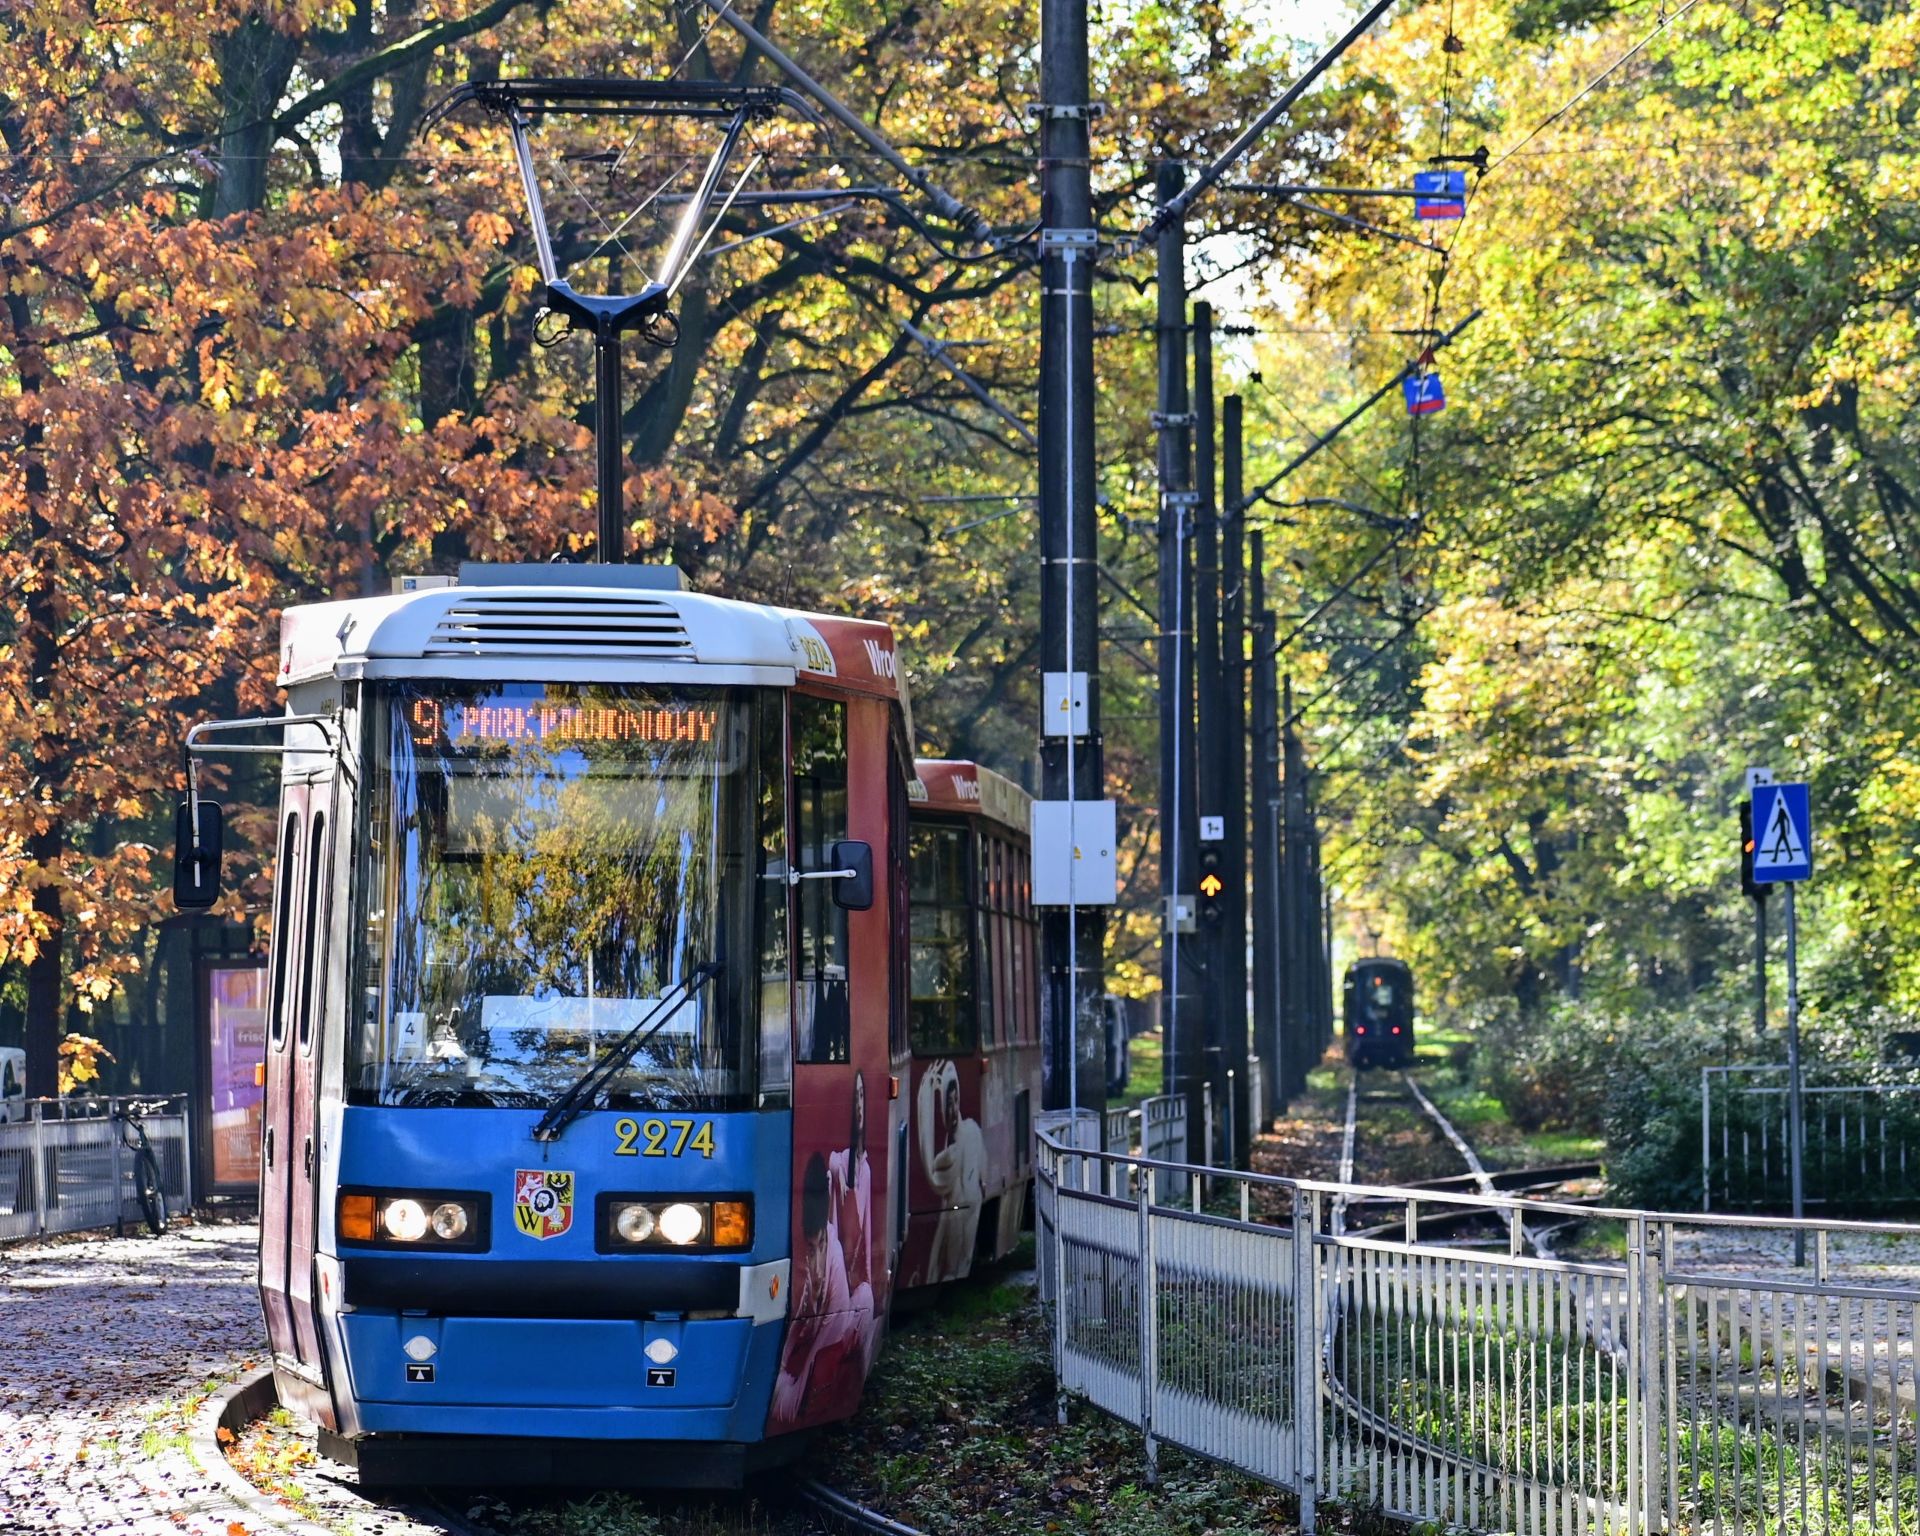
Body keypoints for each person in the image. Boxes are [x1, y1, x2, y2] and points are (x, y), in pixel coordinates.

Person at [769, 1153, 860, 1427]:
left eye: (819, 1245)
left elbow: (837, 1318)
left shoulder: (831, 1243)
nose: (816, 1261)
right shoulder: (800, 1271)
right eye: (811, 1249)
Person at [926, 1072, 985, 1283]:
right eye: (947, 1104)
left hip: (970, 1211)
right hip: (955, 1215)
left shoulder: (971, 1131)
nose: (951, 1110)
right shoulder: (946, 1151)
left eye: (955, 1102)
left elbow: (981, 1174)